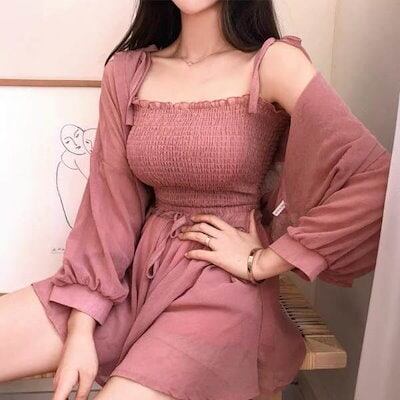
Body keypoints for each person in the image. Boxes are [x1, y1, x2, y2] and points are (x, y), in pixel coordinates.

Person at [0, 1, 391, 399]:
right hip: (136, 276)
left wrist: (265, 260)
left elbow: (377, 180)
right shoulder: (126, 71)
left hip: (222, 288)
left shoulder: (275, 65)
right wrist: (81, 330)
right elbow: (109, 209)